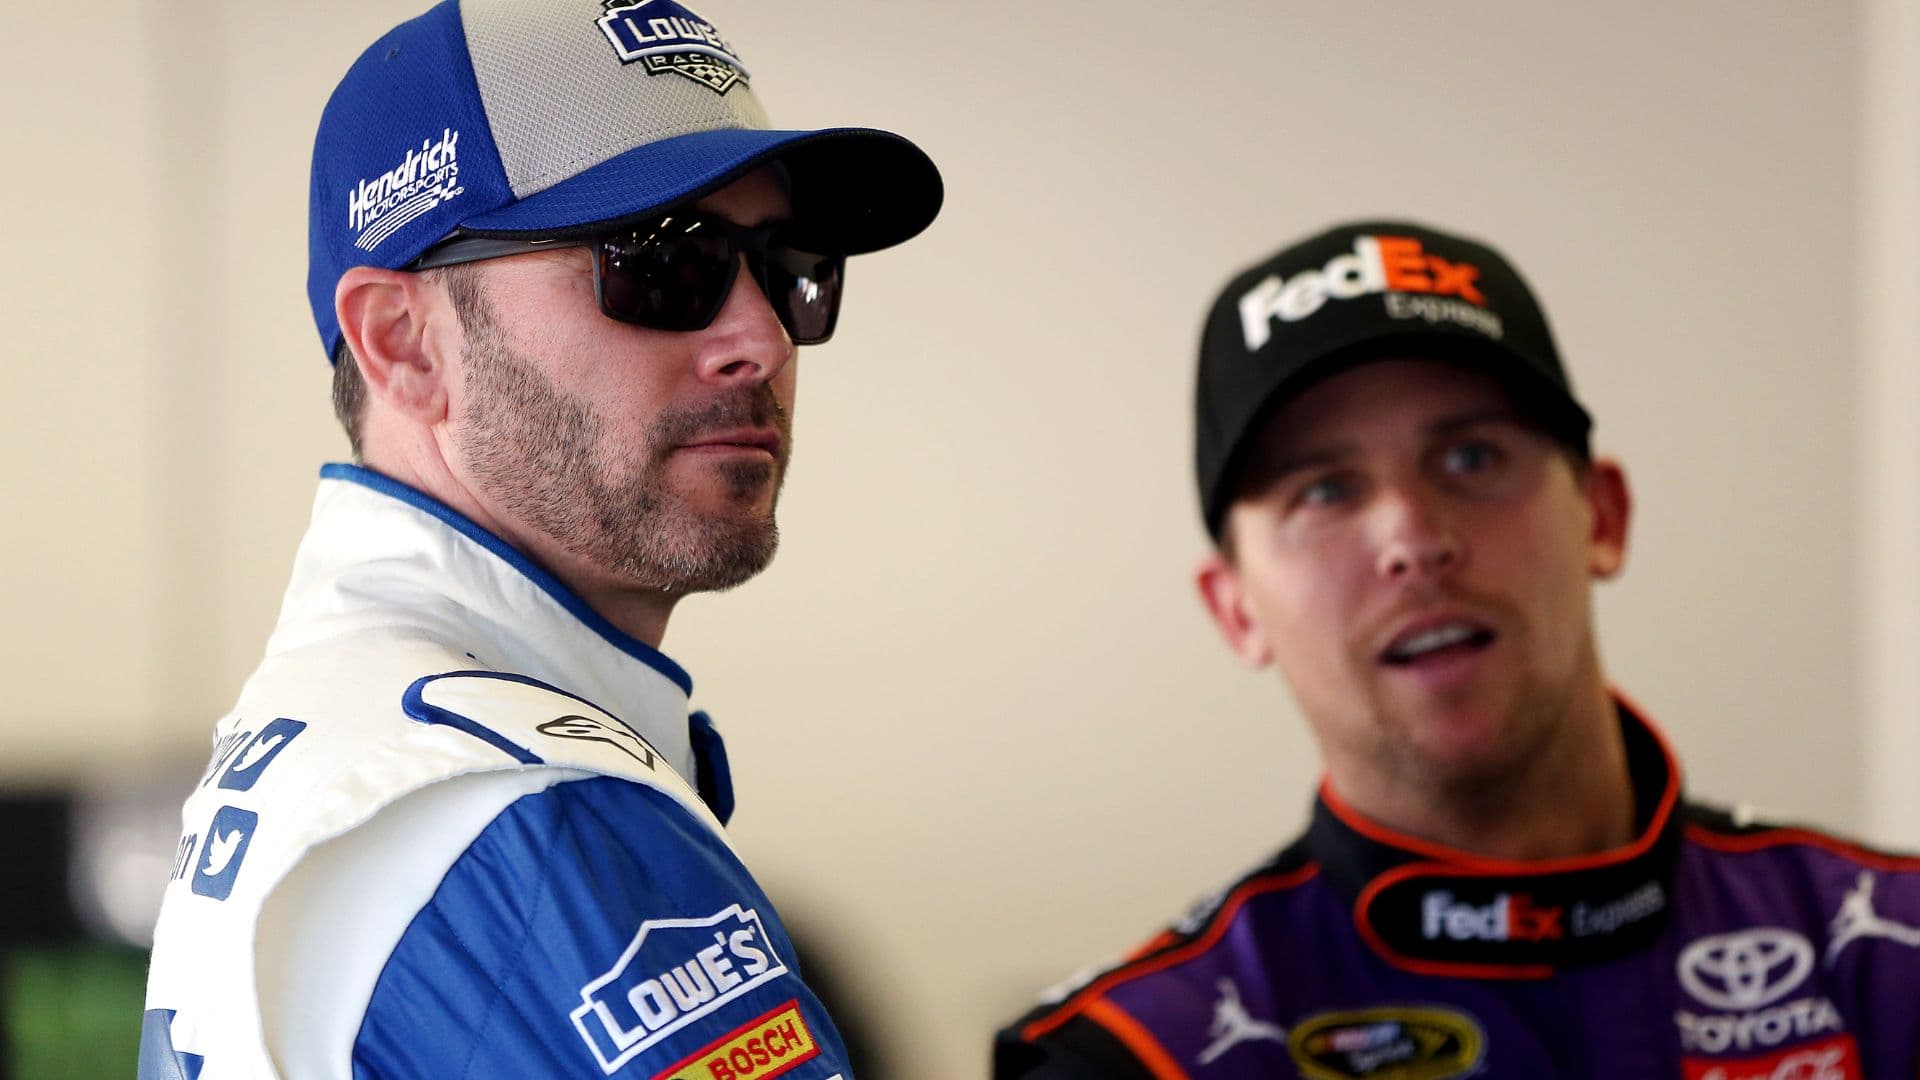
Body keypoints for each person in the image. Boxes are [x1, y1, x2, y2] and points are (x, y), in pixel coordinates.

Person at [140, 2, 940, 1077]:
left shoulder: (339, 729)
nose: (760, 338)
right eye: (661, 261)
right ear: (404, 344)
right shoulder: (520, 811)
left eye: (789, 264)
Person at [995, 222, 1920, 1078]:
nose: (1412, 539)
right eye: (1322, 492)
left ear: (1602, 516)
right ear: (1234, 609)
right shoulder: (1136, 1054)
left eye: (1472, 458)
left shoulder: (1891, 954)